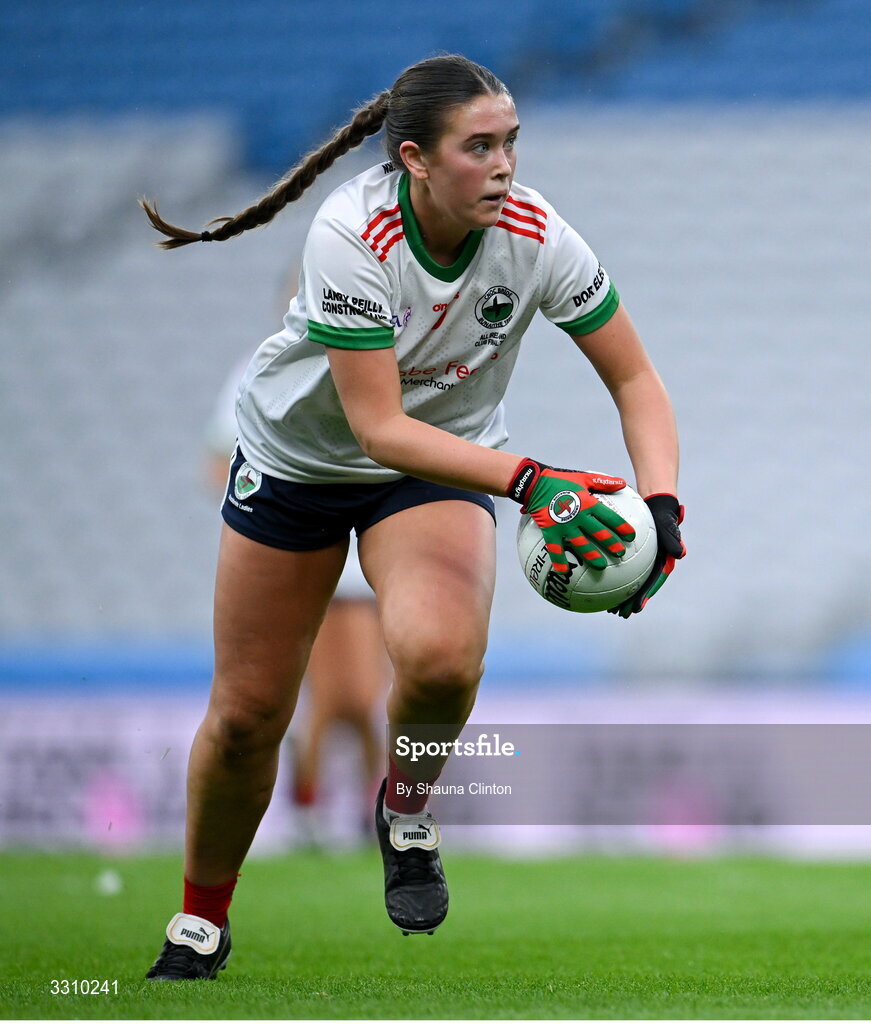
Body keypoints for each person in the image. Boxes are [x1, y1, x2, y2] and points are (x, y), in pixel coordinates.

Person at [141, 54, 685, 981]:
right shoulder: (350, 234)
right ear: (414, 159)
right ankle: (201, 920)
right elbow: (376, 427)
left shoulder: (539, 235)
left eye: (511, 141)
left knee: (438, 660)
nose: (505, 165)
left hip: (434, 470)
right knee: (246, 717)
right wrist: (532, 480)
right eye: (479, 146)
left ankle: (404, 810)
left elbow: (634, 377)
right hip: (297, 465)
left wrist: (661, 509)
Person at [206, 369, 387, 848]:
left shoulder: (387, 350)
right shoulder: (264, 368)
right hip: (308, 546)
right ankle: (311, 810)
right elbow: (218, 463)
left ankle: (373, 814)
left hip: (369, 560)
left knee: (364, 699)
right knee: (329, 699)